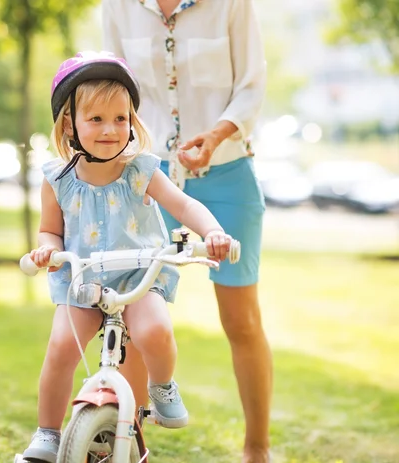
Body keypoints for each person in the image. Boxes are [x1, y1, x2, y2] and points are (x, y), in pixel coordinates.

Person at [21, 51, 234, 463]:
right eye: (96, 119)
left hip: (139, 276)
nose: (110, 129)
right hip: (83, 279)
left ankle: (162, 386)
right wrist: (47, 248)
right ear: (69, 125)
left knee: (153, 332)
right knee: (62, 347)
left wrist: (213, 233)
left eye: (120, 118)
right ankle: (48, 432)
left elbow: (185, 206)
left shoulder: (140, 169)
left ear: (132, 122)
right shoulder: (57, 180)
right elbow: (51, 228)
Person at [102, 1, 272, 462]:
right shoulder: (117, 7)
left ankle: (257, 448)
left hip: (227, 172)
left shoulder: (232, 5)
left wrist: (214, 137)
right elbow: (111, 90)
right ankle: (128, 446)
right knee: (135, 317)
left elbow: (251, 87)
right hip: (147, 177)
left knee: (241, 320)